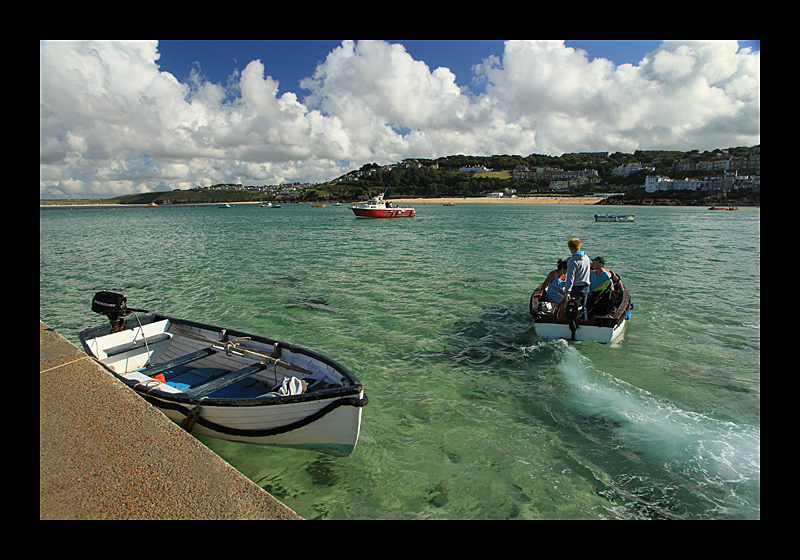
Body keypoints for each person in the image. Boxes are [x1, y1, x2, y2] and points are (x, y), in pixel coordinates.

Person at [562, 237, 591, 319]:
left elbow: (570, 279)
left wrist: (567, 292)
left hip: (576, 288)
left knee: (573, 309)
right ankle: (585, 323)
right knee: (583, 308)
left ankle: (573, 327)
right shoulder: (586, 258)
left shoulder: (572, 262)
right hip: (586, 286)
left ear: (570, 248)